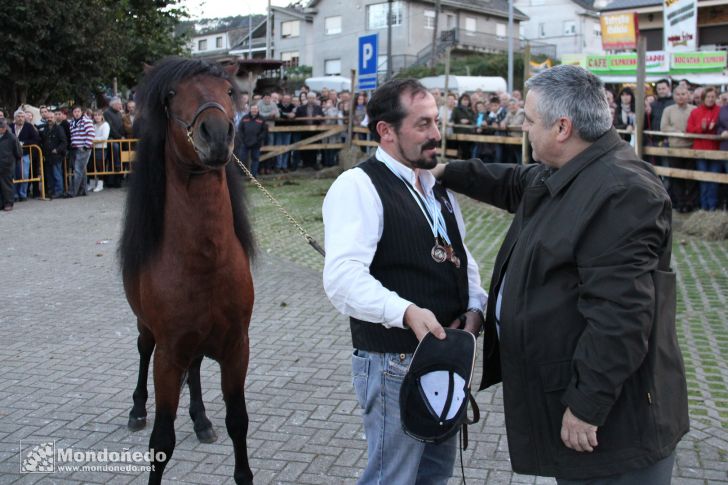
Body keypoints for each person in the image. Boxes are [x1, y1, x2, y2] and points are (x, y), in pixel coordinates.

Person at [433, 64, 688, 483]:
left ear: (563, 128)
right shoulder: (573, 171)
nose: (523, 128)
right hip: (581, 405)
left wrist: (588, 405)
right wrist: (443, 171)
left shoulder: (621, 193)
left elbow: (620, 317)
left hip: (614, 430)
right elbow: (514, 182)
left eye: (530, 121)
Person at [322, 78, 487, 485]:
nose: (436, 135)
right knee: (392, 478)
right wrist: (406, 311)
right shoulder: (358, 186)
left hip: (444, 358)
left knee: (434, 475)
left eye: (436, 122)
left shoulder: (435, 186)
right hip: (392, 361)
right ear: (386, 131)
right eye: (423, 124)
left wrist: (475, 308)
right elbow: (342, 278)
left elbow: (461, 257)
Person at [660, 85, 697, 213]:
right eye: (678, 94)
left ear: (688, 95)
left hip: (691, 148)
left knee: (691, 178)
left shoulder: (694, 110)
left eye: (683, 94)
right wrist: (678, 131)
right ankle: (679, 203)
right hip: (674, 148)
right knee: (676, 178)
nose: (681, 97)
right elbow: (663, 127)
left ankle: (690, 203)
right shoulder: (668, 110)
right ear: (674, 96)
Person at [686, 87, 721, 211]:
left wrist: (716, 129)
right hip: (700, 151)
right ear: (703, 98)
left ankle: (712, 207)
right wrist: (701, 128)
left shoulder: (720, 111)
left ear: (716, 98)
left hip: (716, 151)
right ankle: (703, 207)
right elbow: (689, 129)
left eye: (713, 97)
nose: (710, 99)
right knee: (703, 180)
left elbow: (722, 127)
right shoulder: (696, 112)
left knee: (714, 180)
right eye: (708, 97)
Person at [10, 109, 41, 201]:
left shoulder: (29, 127)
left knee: (25, 174)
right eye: (18, 117)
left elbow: (36, 139)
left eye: (22, 117)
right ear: (15, 118)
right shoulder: (10, 126)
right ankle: (14, 195)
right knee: (13, 174)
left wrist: (24, 143)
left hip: (25, 154)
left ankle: (22, 194)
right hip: (12, 155)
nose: (20, 118)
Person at [65, 106, 94, 198]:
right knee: (81, 170)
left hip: (82, 148)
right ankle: (83, 190)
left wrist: (86, 146)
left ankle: (72, 192)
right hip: (75, 147)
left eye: (78, 111)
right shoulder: (72, 122)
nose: (76, 113)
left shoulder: (86, 121)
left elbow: (91, 133)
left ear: (81, 112)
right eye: (75, 111)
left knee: (77, 170)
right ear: (72, 113)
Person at [238, 104, 267, 177]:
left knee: (255, 159)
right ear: (250, 110)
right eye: (253, 109)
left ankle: (253, 175)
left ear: (258, 110)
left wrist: (258, 139)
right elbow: (240, 129)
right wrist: (243, 139)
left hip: (256, 143)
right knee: (242, 158)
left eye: (255, 109)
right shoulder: (245, 118)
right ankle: (242, 175)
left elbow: (264, 131)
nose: (254, 110)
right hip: (245, 142)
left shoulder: (262, 119)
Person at [45, 110, 68, 198]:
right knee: (49, 175)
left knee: (56, 174)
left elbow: (64, 142)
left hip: (56, 156)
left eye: (51, 117)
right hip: (48, 155)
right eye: (48, 118)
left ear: (55, 118)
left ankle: (59, 191)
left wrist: (57, 150)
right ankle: (51, 191)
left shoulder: (59, 128)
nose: (49, 119)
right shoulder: (46, 128)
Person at [0, 118, 22, 211]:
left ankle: (9, 203)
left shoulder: (12, 137)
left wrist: (11, 161)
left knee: (7, 185)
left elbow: (18, 152)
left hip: (7, 165)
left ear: (4, 128)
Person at [451, 93, 476, 159]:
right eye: (464, 100)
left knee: (469, 151)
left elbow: (474, 121)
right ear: (460, 101)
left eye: (467, 100)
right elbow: (452, 119)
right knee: (463, 151)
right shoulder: (456, 109)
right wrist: (459, 121)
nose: (465, 101)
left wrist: (468, 121)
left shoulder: (471, 110)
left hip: (470, 133)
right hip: (459, 133)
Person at [90, 109, 110, 192]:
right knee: (90, 165)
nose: (97, 117)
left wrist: (93, 139)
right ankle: (91, 184)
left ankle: (100, 184)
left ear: (102, 116)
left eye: (98, 115)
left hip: (101, 148)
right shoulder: (93, 125)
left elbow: (104, 137)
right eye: (95, 115)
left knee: (100, 165)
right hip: (93, 147)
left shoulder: (105, 125)